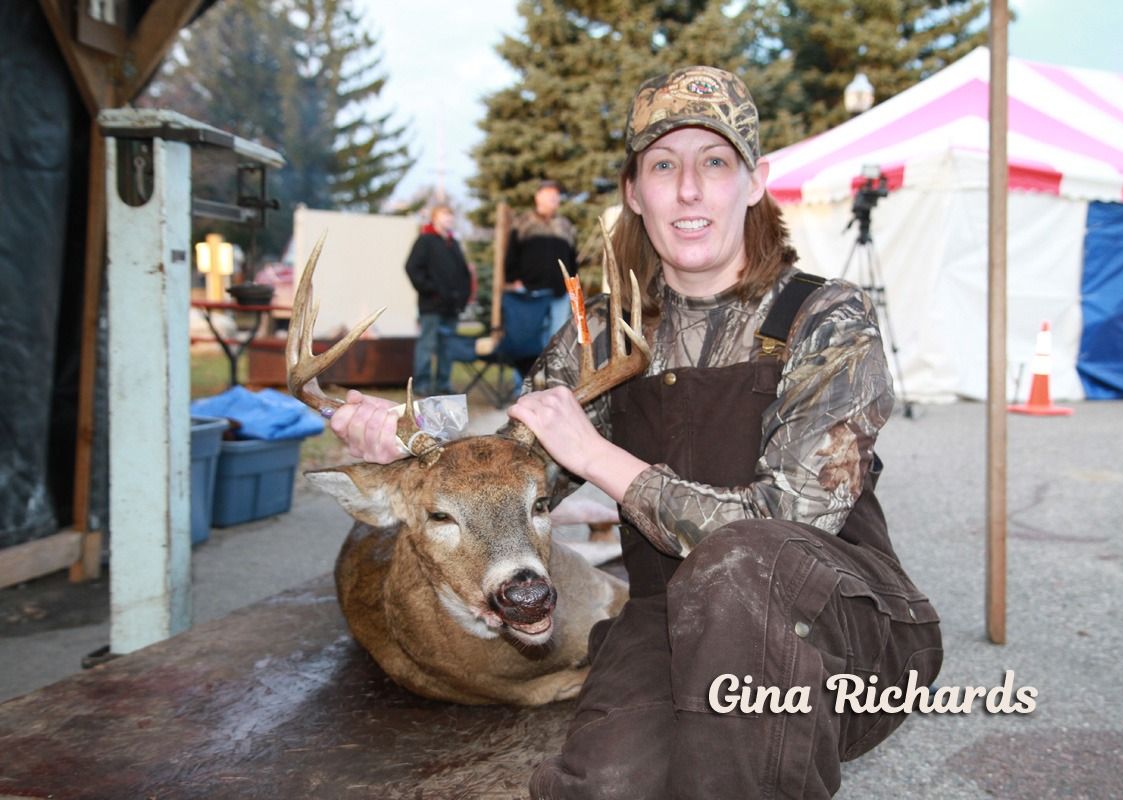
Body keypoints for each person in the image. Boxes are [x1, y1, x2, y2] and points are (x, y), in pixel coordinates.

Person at [333, 65, 942, 799]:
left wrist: (598, 456)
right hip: (671, 623)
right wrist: (410, 440)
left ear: (754, 182)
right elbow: (515, 462)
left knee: (740, 568)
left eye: (714, 162)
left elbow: (789, 522)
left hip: (841, 632)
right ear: (633, 191)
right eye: (662, 166)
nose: (688, 190)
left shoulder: (826, 319)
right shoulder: (599, 336)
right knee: (601, 784)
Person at [404, 204, 471, 396]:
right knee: (427, 344)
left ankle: (443, 383)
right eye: (444, 215)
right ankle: (422, 383)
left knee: (447, 346)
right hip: (431, 305)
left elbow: (463, 273)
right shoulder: (425, 240)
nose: (449, 219)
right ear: (434, 218)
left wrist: (462, 297)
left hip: (451, 306)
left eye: (451, 215)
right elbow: (412, 268)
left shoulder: (453, 243)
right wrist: (431, 290)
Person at [505, 179, 578, 348]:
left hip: (560, 292)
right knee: (529, 338)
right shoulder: (523, 223)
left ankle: (552, 366)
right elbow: (511, 253)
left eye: (556, 195)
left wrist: (573, 285)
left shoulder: (565, 225)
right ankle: (529, 367)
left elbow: (572, 258)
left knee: (557, 338)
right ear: (538, 197)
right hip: (531, 291)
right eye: (549, 194)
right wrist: (513, 280)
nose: (554, 198)